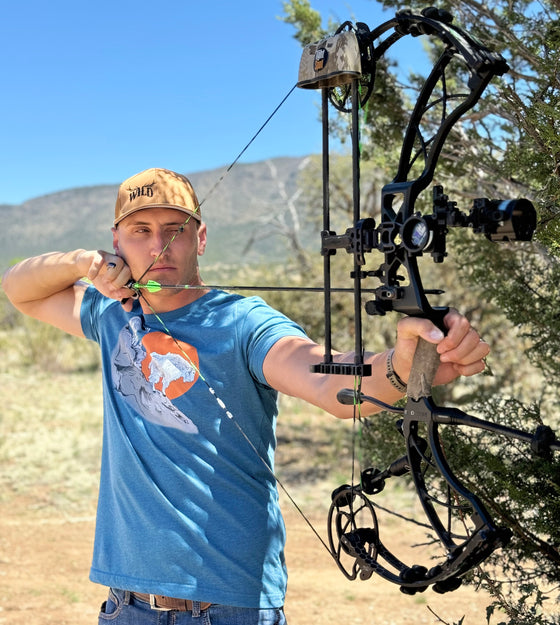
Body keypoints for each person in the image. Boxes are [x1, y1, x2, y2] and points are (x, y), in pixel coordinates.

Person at [1, 167, 489, 624]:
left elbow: (325, 380)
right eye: (141, 231)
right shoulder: (111, 314)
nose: (159, 246)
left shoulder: (243, 321)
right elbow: (20, 289)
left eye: (176, 230)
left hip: (227, 607)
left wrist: (401, 365)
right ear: (116, 243)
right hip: (126, 605)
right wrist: (80, 264)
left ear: (202, 238)